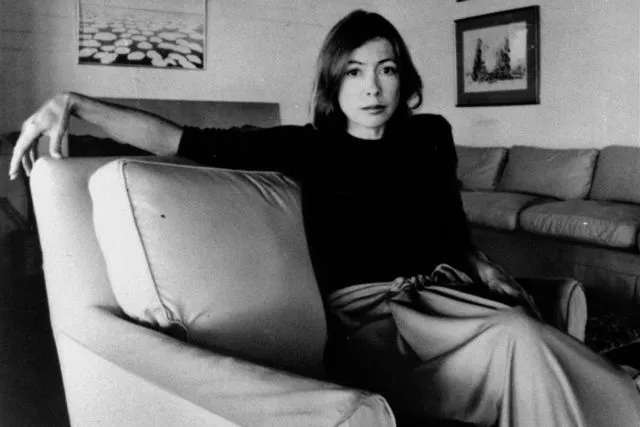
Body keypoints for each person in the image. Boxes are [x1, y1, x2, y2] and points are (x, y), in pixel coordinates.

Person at [8, 9, 640, 427]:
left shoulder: (431, 136)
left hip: (451, 296)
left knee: (534, 337)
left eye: (387, 70)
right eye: (355, 71)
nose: (373, 87)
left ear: (403, 79)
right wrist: (76, 102)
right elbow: (179, 140)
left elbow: (448, 224)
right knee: (520, 339)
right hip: (375, 321)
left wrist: (483, 264)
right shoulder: (306, 147)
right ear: (333, 82)